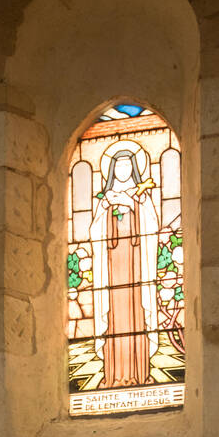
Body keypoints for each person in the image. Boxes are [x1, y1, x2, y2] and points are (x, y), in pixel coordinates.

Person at [88, 141, 160, 388]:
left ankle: (140, 374)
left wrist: (134, 205)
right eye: (118, 166)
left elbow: (152, 226)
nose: (122, 170)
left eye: (127, 165)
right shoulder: (105, 198)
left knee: (135, 313)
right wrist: (107, 207)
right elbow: (95, 231)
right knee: (116, 317)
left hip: (136, 268)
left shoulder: (142, 196)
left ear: (133, 168)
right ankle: (113, 376)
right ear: (111, 170)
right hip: (112, 271)